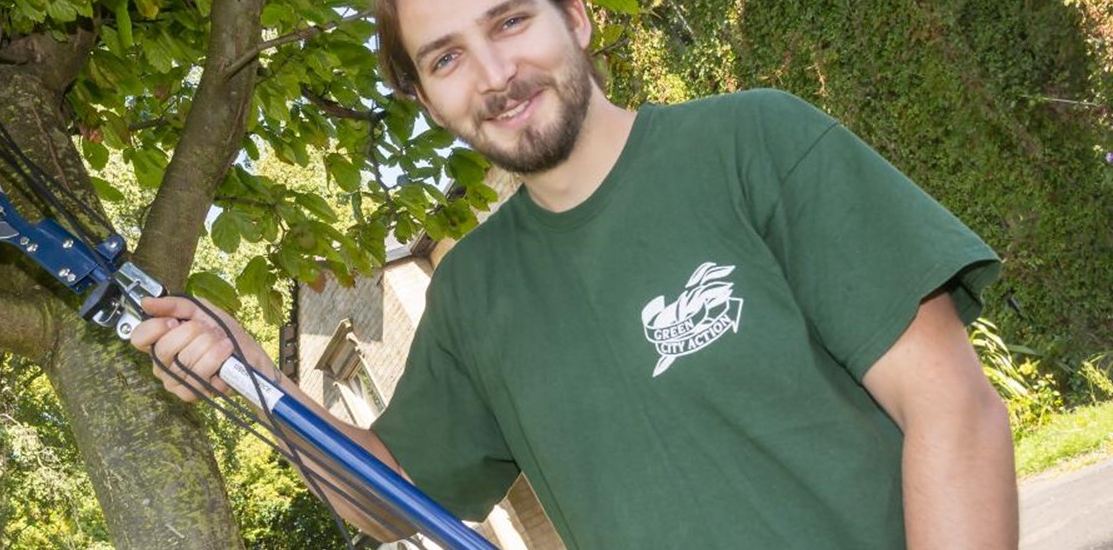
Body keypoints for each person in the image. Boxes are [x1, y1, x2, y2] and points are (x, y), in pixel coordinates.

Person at [131, 0, 1019, 547]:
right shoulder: (473, 294)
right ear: (423, 99)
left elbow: (953, 410)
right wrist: (257, 380)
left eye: (511, 19)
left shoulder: (754, 143)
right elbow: (394, 501)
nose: (494, 74)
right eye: (445, 58)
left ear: (579, 15)